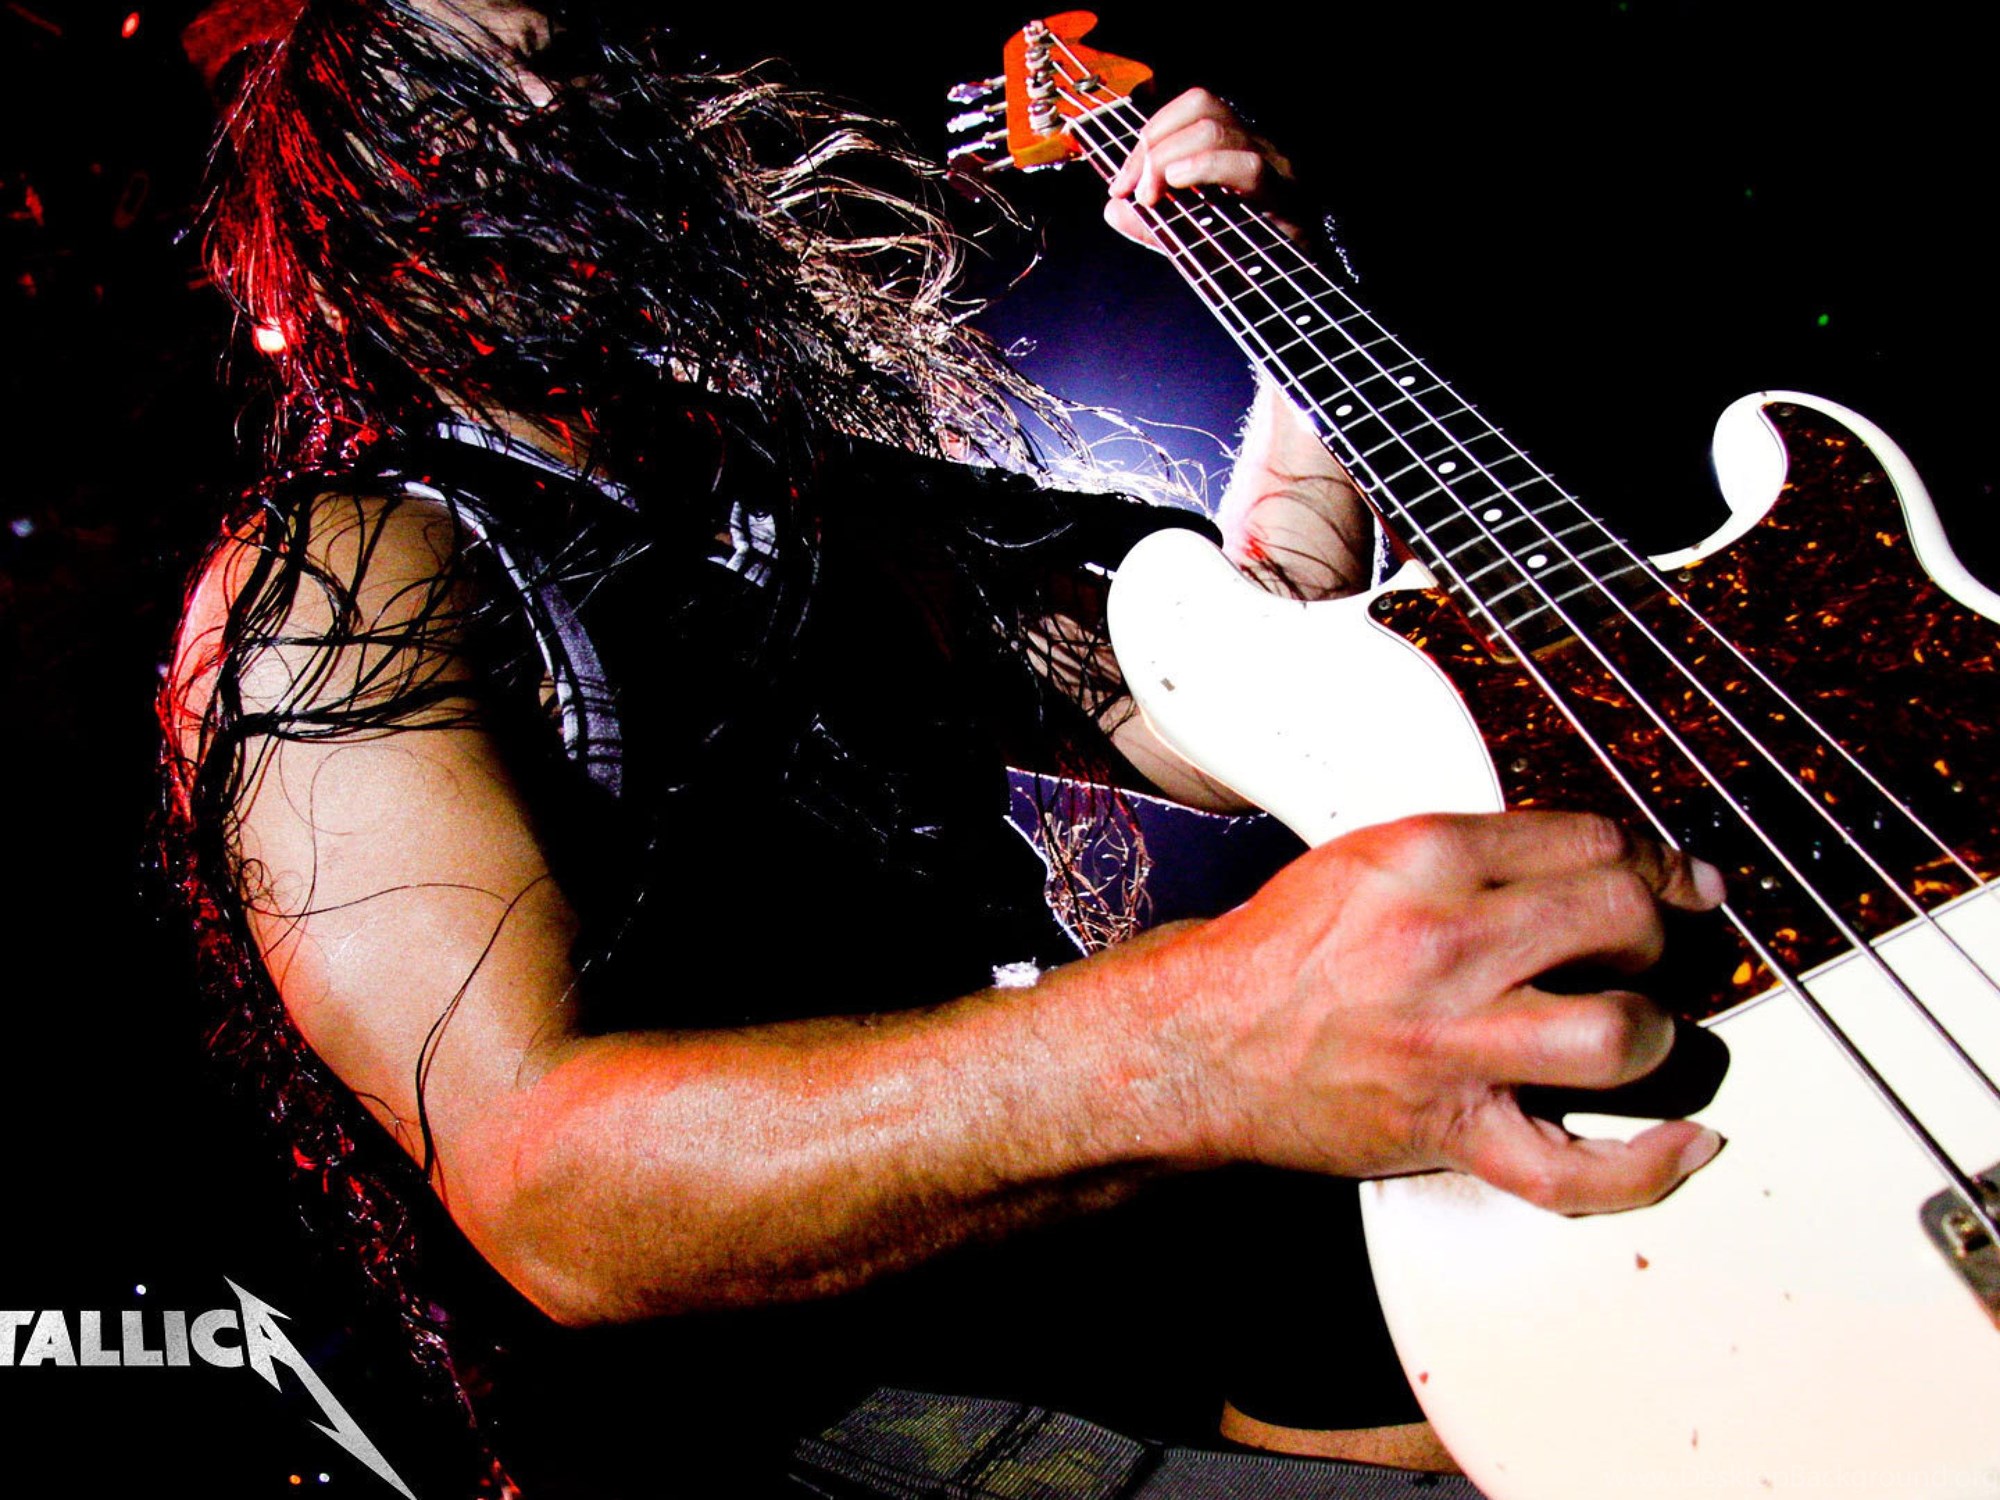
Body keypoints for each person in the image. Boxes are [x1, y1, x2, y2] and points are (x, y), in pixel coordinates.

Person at [162, 1, 1726, 1493]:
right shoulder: (344, 570)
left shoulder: (791, 499)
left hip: (1133, 1323)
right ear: (353, 215)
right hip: (828, 1436)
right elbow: (546, 1188)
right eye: (463, 102)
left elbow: (1248, 687)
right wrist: (1217, 1033)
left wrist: (1291, 300)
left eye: (573, 57)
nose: (562, 110)